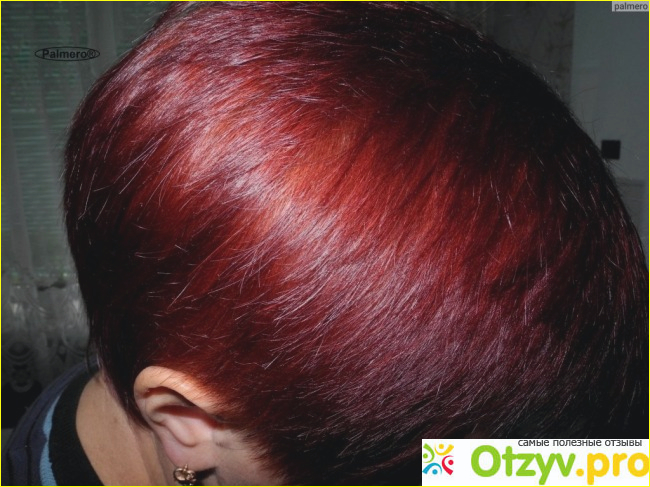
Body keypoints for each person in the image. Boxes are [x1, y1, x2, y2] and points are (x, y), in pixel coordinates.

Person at [3, 2, 648, 485]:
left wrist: (617, 466)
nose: (443, 473)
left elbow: (481, 460)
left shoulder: (236, 379)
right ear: (186, 423)